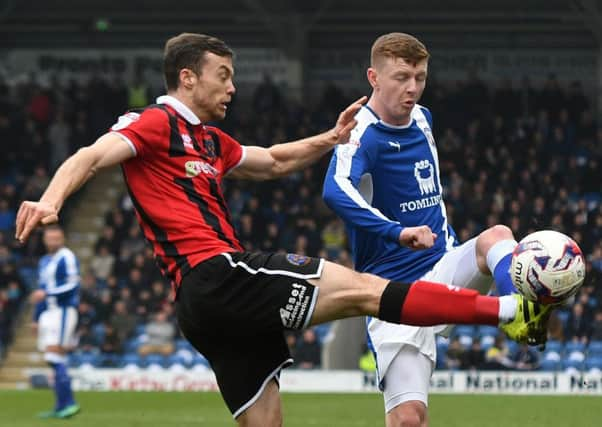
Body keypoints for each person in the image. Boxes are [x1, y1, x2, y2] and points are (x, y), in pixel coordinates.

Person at [16, 33, 549, 426]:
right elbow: (90, 155)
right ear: (187, 78)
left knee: (266, 422)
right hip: (220, 274)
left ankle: (504, 310)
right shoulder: (157, 124)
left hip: (207, 309)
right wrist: (50, 199)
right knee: (367, 291)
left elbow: (270, 160)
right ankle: (507, 309)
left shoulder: (209, 141)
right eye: (222, 75)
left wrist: (329, 137)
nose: (233, 86)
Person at [322, 32, 545, 427]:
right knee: (409, 420)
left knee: (496, 237)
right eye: (401, 77)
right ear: (373, 77)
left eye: (420, 78)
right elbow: (335, 190)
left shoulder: (424, 119)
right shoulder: (361, 134)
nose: (412, 89)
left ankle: (520, 315)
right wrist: (397, 231)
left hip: (443, 268)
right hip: (392, 294)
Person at [30, 225, 80, 418]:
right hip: (49, 312)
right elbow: (41, 292)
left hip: (64, 310)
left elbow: (73, 283)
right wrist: (35, 318)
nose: (53, 242)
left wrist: (48, 293)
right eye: (50, 239)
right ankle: (61, 406)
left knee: (55, 356)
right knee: (51, 358)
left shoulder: (67, 256)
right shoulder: (44, 261)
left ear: (63, 239)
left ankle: (69, 404)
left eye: (57, 238)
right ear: (45, 240)